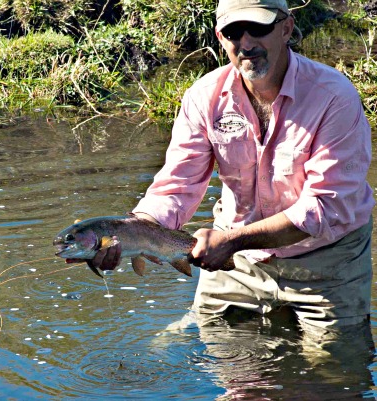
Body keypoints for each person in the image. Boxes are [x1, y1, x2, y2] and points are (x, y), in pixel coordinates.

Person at [80, 0, 374, 341]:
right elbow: (178, 183)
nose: (246, 43)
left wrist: (232, 240)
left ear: (287, 28)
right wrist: (134, 230)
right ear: (220, 37)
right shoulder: (204, 96)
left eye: (258, 28)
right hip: (234, 259)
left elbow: (327, 207)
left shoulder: (333, 96)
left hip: (327, 258)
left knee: (333, 371)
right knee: (222, 359)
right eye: (234, 32)